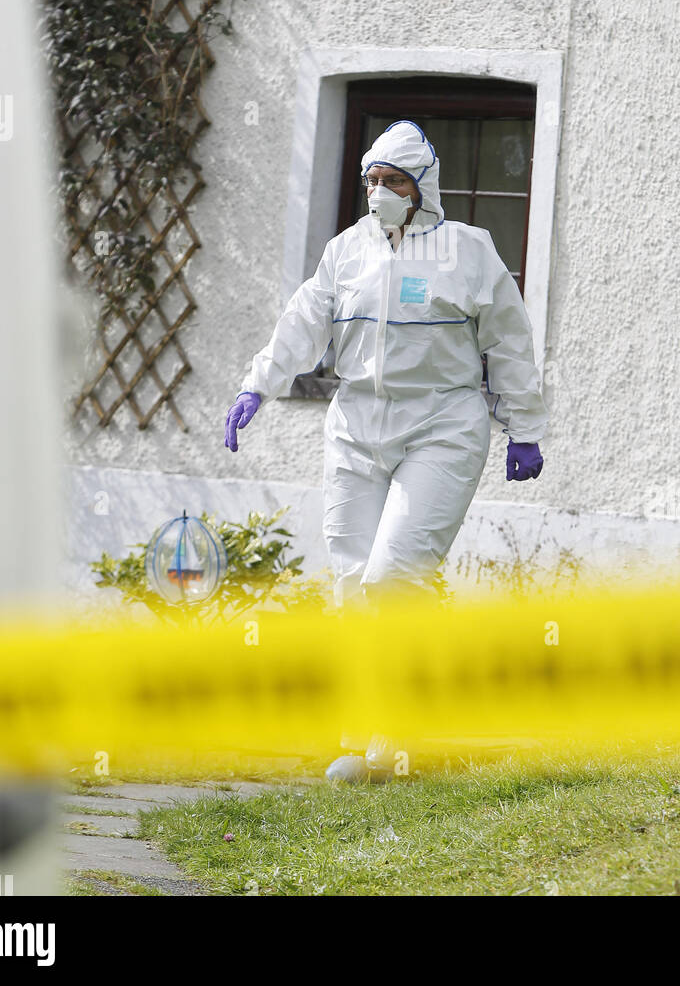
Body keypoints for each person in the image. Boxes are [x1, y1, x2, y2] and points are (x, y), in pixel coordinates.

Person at [224, 120, 547, 783]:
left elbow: (508, 338)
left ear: (422, 188)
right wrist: (258, 382)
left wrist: (525, 426)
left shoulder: (468, 249)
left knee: (392, 578)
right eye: (371, 180)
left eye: (392, 182)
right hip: (355, 419)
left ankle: (397, 739)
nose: (379, 192)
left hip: (443, 422)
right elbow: (305, 318)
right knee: (350, 581)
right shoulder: (346, 250)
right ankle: (359, 735)